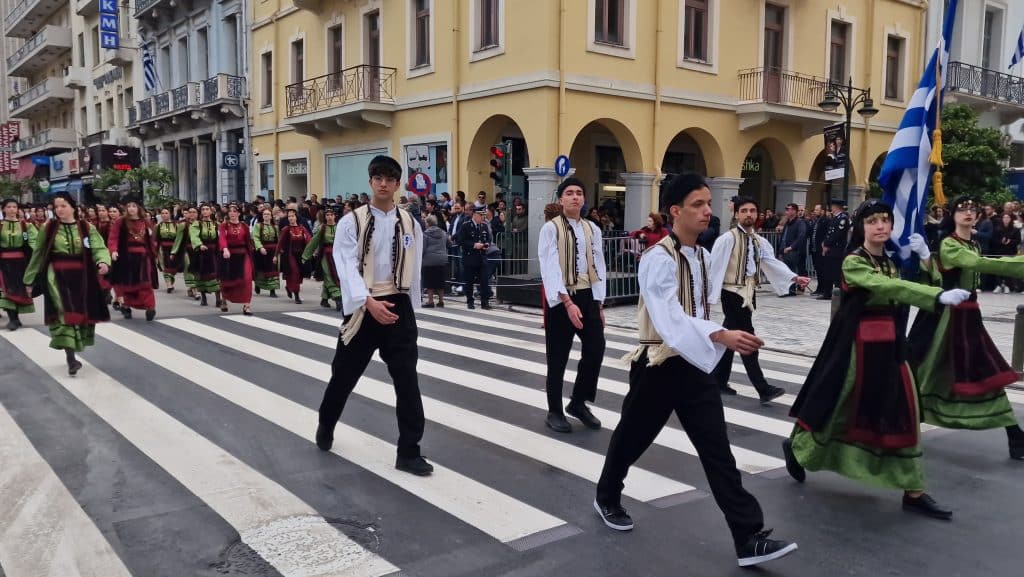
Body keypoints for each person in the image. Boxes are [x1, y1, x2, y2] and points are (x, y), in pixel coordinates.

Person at [595, 174, 797, 568]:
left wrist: (718, 334)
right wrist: (720, 334)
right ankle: (607, 494)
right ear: (675, 211)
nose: (708, 211)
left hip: (695, 369)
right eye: (698, 204)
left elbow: (704, 307)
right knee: (631, 439)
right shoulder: (657, 258)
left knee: (718, 452)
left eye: (708, 203)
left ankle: (747, 536)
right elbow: (669, 319)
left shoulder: (703, 257)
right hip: (657, 365)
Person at [783, 199, 971, 520]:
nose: (881, 226)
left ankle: (914, 490)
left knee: (905, 411)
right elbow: (886, 286)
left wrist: (927, 260)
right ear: (862, 227)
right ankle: (799, 448)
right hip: (858, 347)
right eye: (873, 221)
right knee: (841, 407)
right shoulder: (854, 262)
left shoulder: (894, 261)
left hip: (893, 346)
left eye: (885, 220)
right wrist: (935, 297)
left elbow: (921, 285)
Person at [316, 155, 432, 476]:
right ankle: (326, 423)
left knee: (407, 381)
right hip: (364, 307)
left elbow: (415, 267)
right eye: (378, 178)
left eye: (390, 179)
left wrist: (410, 309)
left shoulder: (411, 224)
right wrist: (367, 303)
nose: (383, 183)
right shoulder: (350, 222)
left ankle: (409, 450)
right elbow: (346, 265)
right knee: (343, 375)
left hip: (397, 305)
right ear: (370, 182)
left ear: (397, 184)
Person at [907, 195, 1024, 461]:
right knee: (924, 371)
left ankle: (1014, 434)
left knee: (987, 373)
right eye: (962, 209)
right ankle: (899, 416)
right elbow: (976, 265)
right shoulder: (950, 244)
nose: (968, 213)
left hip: (970, 319)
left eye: (973, 209)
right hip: (945, 319)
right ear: (953, 215)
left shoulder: (974, 242)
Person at [709, 196, 809, 403]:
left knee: (732, 335)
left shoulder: (758, 240)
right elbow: (714, 267)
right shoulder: (727, 239)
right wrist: (710, 295)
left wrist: (793, 277)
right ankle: (762, 388)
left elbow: (770, 262)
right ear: (736, 214)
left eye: (752, 211)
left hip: (749, 292)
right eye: (744, 211)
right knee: (747, 338)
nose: (748, 214)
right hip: (732, 293)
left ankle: (717, 381)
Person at [537, 177, 608, 433]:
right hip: (561, 299)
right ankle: (554, 410)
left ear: (584, 199)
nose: (575, 197)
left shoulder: (593, 229)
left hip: (588, 296)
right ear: (561, 199)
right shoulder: (551, 229)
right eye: (570, 193)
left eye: (579, 192)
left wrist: (599, 303)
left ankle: (578, 402)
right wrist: (566, 301)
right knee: (557, 357)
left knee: (596, 348)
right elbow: (549, 266)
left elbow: (598, 266)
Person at [23, 193, 112, 376]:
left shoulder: (86, 227)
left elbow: (99, 248)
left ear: (73, 207)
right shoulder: (49, 228)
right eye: (56, 206)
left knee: (79, 314)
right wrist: (29, 280)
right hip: (55, 275)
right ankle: (71, 359)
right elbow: (38, 254)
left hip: (81, 276)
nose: (59, 209)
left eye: (63, 205)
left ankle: (72, 351)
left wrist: (103, 262)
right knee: (63, 313)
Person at [108, 200, 159, 321]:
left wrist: (154, 255)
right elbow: (113, 237)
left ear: (139, 208)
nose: (131, 208)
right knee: (127, 284)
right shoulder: (121, 222)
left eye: (134, 206)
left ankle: (150, 307)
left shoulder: (145, 222)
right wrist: (113, 250)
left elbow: (150, 240)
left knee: (145, 283)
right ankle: (126, 306)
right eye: (129, 206)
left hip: (143, 257)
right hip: (126, 257)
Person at [0, 199, 37, 330]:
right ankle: (13, 319)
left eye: (14, 207)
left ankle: (15, 318)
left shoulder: (26, 226)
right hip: (3, 263)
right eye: (8, 207)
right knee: (6, 289)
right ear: (3, 209)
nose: (11, 209)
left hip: (21, 263)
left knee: (19, 289)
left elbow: (35, 243)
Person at [303, 208, 343, 310]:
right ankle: (338, 298)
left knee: (335, 276)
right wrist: (306, 256)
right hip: (325, 255)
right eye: (327, 215)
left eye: (331, 215)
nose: (329, 217)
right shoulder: (323, 228)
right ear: (325, 217)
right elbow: (314, 241)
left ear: (335, 216)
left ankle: (324, 299)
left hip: (337, 256)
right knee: (329, 275)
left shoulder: (340, 227)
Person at [218, 203, 254, 315]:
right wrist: (224, 249)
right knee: (227, 281)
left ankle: (247, 305)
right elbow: (222, 238)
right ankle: (224, 299)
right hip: (228, 255)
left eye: (235, 211)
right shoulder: (224, 226)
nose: (232, 213)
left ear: (239, 213)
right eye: (230, 211)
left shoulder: (244, 226)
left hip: (243, 255)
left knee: (247, 279)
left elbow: (248, 242)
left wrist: (252, 253)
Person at [189, 204, 223, 308]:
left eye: (207, 209)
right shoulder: (196, 224)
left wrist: (223, 248)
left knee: (216, 275)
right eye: (203, 209)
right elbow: (194, 236)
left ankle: (218, 299)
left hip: (214, 253)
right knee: (201, 275)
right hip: (201, 253)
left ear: (211, 212)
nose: (205, 211)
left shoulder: (216, 224)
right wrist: (199, 244)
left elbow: (221, 238)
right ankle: (203, 297)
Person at [459, 206, 493, 310]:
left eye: (483, 216)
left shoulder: (484, 226)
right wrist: (474, 244)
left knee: (484, 280)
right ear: (475, 215)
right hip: (470, 257)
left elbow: (488, 238)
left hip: (481, 257)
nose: (482, 218)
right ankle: (470, 301)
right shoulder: (466, 226)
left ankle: (485, 302)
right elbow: (461, 241)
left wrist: (486, 244)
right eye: (480, 216)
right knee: (469, 281)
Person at [816, 199, 849, 300]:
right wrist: (824, 243)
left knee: (836, 273)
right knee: (828, 272)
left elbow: (837, 235)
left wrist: (826, 244)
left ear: (836, 207)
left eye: (832, 206)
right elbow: (829, 233)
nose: (831, 208)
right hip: (830, 250)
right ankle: (827, 292)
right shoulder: (835, 218)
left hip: (837, 250)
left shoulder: (843, 218)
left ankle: (838, 292)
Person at [278, 208, 312, 304]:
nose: (291, 218)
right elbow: (279, 243)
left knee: (298, 275)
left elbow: (309, 240)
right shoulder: (286, 229)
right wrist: (275, 256)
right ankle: (297, 296)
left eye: (292, 216)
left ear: (296, 217)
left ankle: (289, 287)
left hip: (300, 255)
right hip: (289, 255)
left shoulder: (302, 228)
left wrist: (311, 250)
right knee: (294, 272)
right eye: (289, 216)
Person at [251, 207, 280, 298]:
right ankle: (258, 284)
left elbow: (278, 239)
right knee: (261, 269)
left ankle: (272, 290)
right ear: (262, 216)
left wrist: (279, 249)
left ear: (271, 216)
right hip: (261, 251)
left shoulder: (275, 227)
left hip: (272, 251)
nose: (266, 216)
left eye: (268, 214)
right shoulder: (258, 226)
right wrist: (260, 247)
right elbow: (256, 237)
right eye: (264, 214)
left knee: (272, 270)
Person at [779, 203, 808, 292]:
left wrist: (791, 247)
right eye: (786, 209)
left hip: (793, 251)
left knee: (792, 270)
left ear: (794, 211)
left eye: (789, 209)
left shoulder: (800, 222)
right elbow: (784, 237)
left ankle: (791, 289)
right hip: (785, 250)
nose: (786, 211)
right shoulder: (787, 223)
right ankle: (787, 288)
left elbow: (801, 236)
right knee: (786, 270)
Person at [421, 214, 448, 308]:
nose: (425, 224)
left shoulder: (425, 234)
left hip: (429, 259)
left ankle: (430, 301)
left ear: (428, 223)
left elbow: (423, 248)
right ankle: (441, 301)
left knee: (429, 281)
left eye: (425, 222)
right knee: (440, 280)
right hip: (442, 259)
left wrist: (421, 258)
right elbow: (447, 244)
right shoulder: (443, 233)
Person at [173, 206, 199, 300]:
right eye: (190, 212)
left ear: (197, 213)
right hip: (186, 250)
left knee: (197, 270)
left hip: (198, 250)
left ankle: (191, 288)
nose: (192, 214)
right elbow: (178, 239)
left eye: (194, 212)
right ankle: (195, 290)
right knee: (188, 267)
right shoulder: (183, 225)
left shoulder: (200, 224)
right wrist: (173, 252)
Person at [156, 207, 184, 294]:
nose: (164, 215)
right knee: (164, 265)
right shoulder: (158, 226)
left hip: (174, 248)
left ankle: (171, 281)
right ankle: (168, 285)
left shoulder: (176, 225)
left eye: (166, 213)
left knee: (173, 266)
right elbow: (156, 239)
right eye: (162, 213)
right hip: (162, 248)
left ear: (170, 214)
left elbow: (179, 238)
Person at [808, 204, 828, 295]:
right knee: (817, 270)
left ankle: (824, 288)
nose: (815, 211)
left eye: (817, 210)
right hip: (814, 249)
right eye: (815, 210)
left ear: (822, 211)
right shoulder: (816, 221)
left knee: (822, 270)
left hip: (821, 249)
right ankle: (819, 288)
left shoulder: (826, 221)